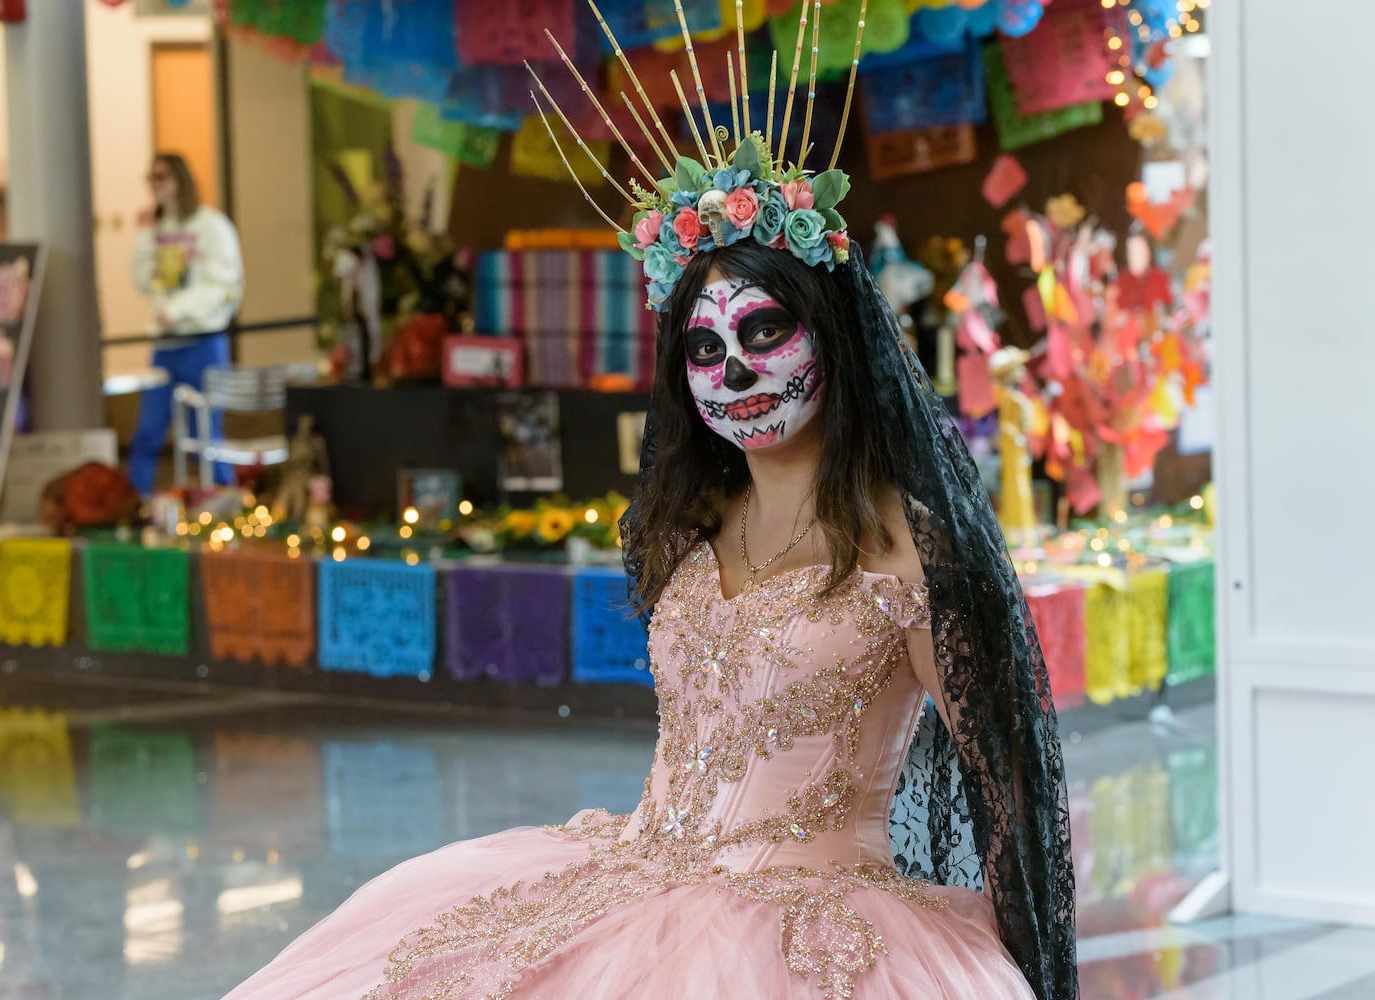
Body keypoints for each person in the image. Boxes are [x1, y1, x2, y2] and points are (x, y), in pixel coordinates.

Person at [224, 8, 1075, 999]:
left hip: (817, 937)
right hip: (631, 882)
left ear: (833, 341)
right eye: (705, 348)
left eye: (765, 331)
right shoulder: (691, 528)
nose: (736, 370)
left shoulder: (905, 554)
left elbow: (1009, 784)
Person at [127, 152, 244, 495]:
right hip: (165, 345)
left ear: (181, 179)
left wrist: (178, 311)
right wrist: (145, 237)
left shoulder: (212, 226)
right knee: (148, 429)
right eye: (151, 178)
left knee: (206, 432)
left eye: (162, 177)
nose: (155, 186)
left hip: (203, 342)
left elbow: (222, 286)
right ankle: (136, 500)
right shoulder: (157, 227)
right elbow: (144, 281)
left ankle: (224, 501)